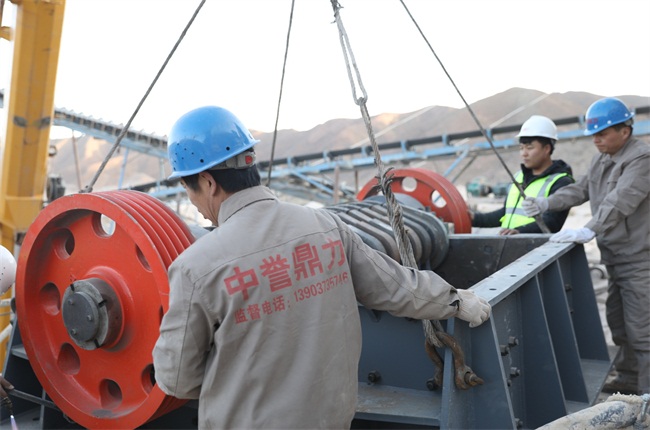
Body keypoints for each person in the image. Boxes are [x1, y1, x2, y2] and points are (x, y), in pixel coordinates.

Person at [152, 106, 491, 429]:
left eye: (188, 189)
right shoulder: (325, 224)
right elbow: (395, 285)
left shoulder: (196, 267)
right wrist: (457, 301)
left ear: (207, 183)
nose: (195, 204)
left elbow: (177, 379)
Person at [523, 97, 650, 395]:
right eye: (593, 135)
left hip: (640, 260)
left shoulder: (641, 160)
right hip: (615, 257)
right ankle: (629, 378)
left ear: (625, 131)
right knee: (618, 323)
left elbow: (620, 201)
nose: (596, 140)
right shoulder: (601, 159)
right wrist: (546, 203)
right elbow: (580, 190)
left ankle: (646, 394)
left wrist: (589, 229)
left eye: (602, 134)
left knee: (643, 329)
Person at [470, 115, 574, 234]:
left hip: (537, 245)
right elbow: (506, 214)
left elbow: (552, 222)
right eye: (521, 148)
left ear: (546, 149)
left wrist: (519, 232)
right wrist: (474, 218)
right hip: (509, 242)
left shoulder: (561, 182)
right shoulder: (518, 177)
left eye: (529, 148)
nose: (523, 153)